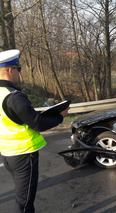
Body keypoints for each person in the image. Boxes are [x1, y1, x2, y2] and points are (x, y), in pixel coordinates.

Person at [0, 49, 69, 213]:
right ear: (10, 70)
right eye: (19, 68)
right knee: (24, 204)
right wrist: (60, 116)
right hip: (24, 155)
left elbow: (18, 117)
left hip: (7, 154)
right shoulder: (14, 96)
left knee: (20, 197)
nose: (20, 73)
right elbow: (37, 124)